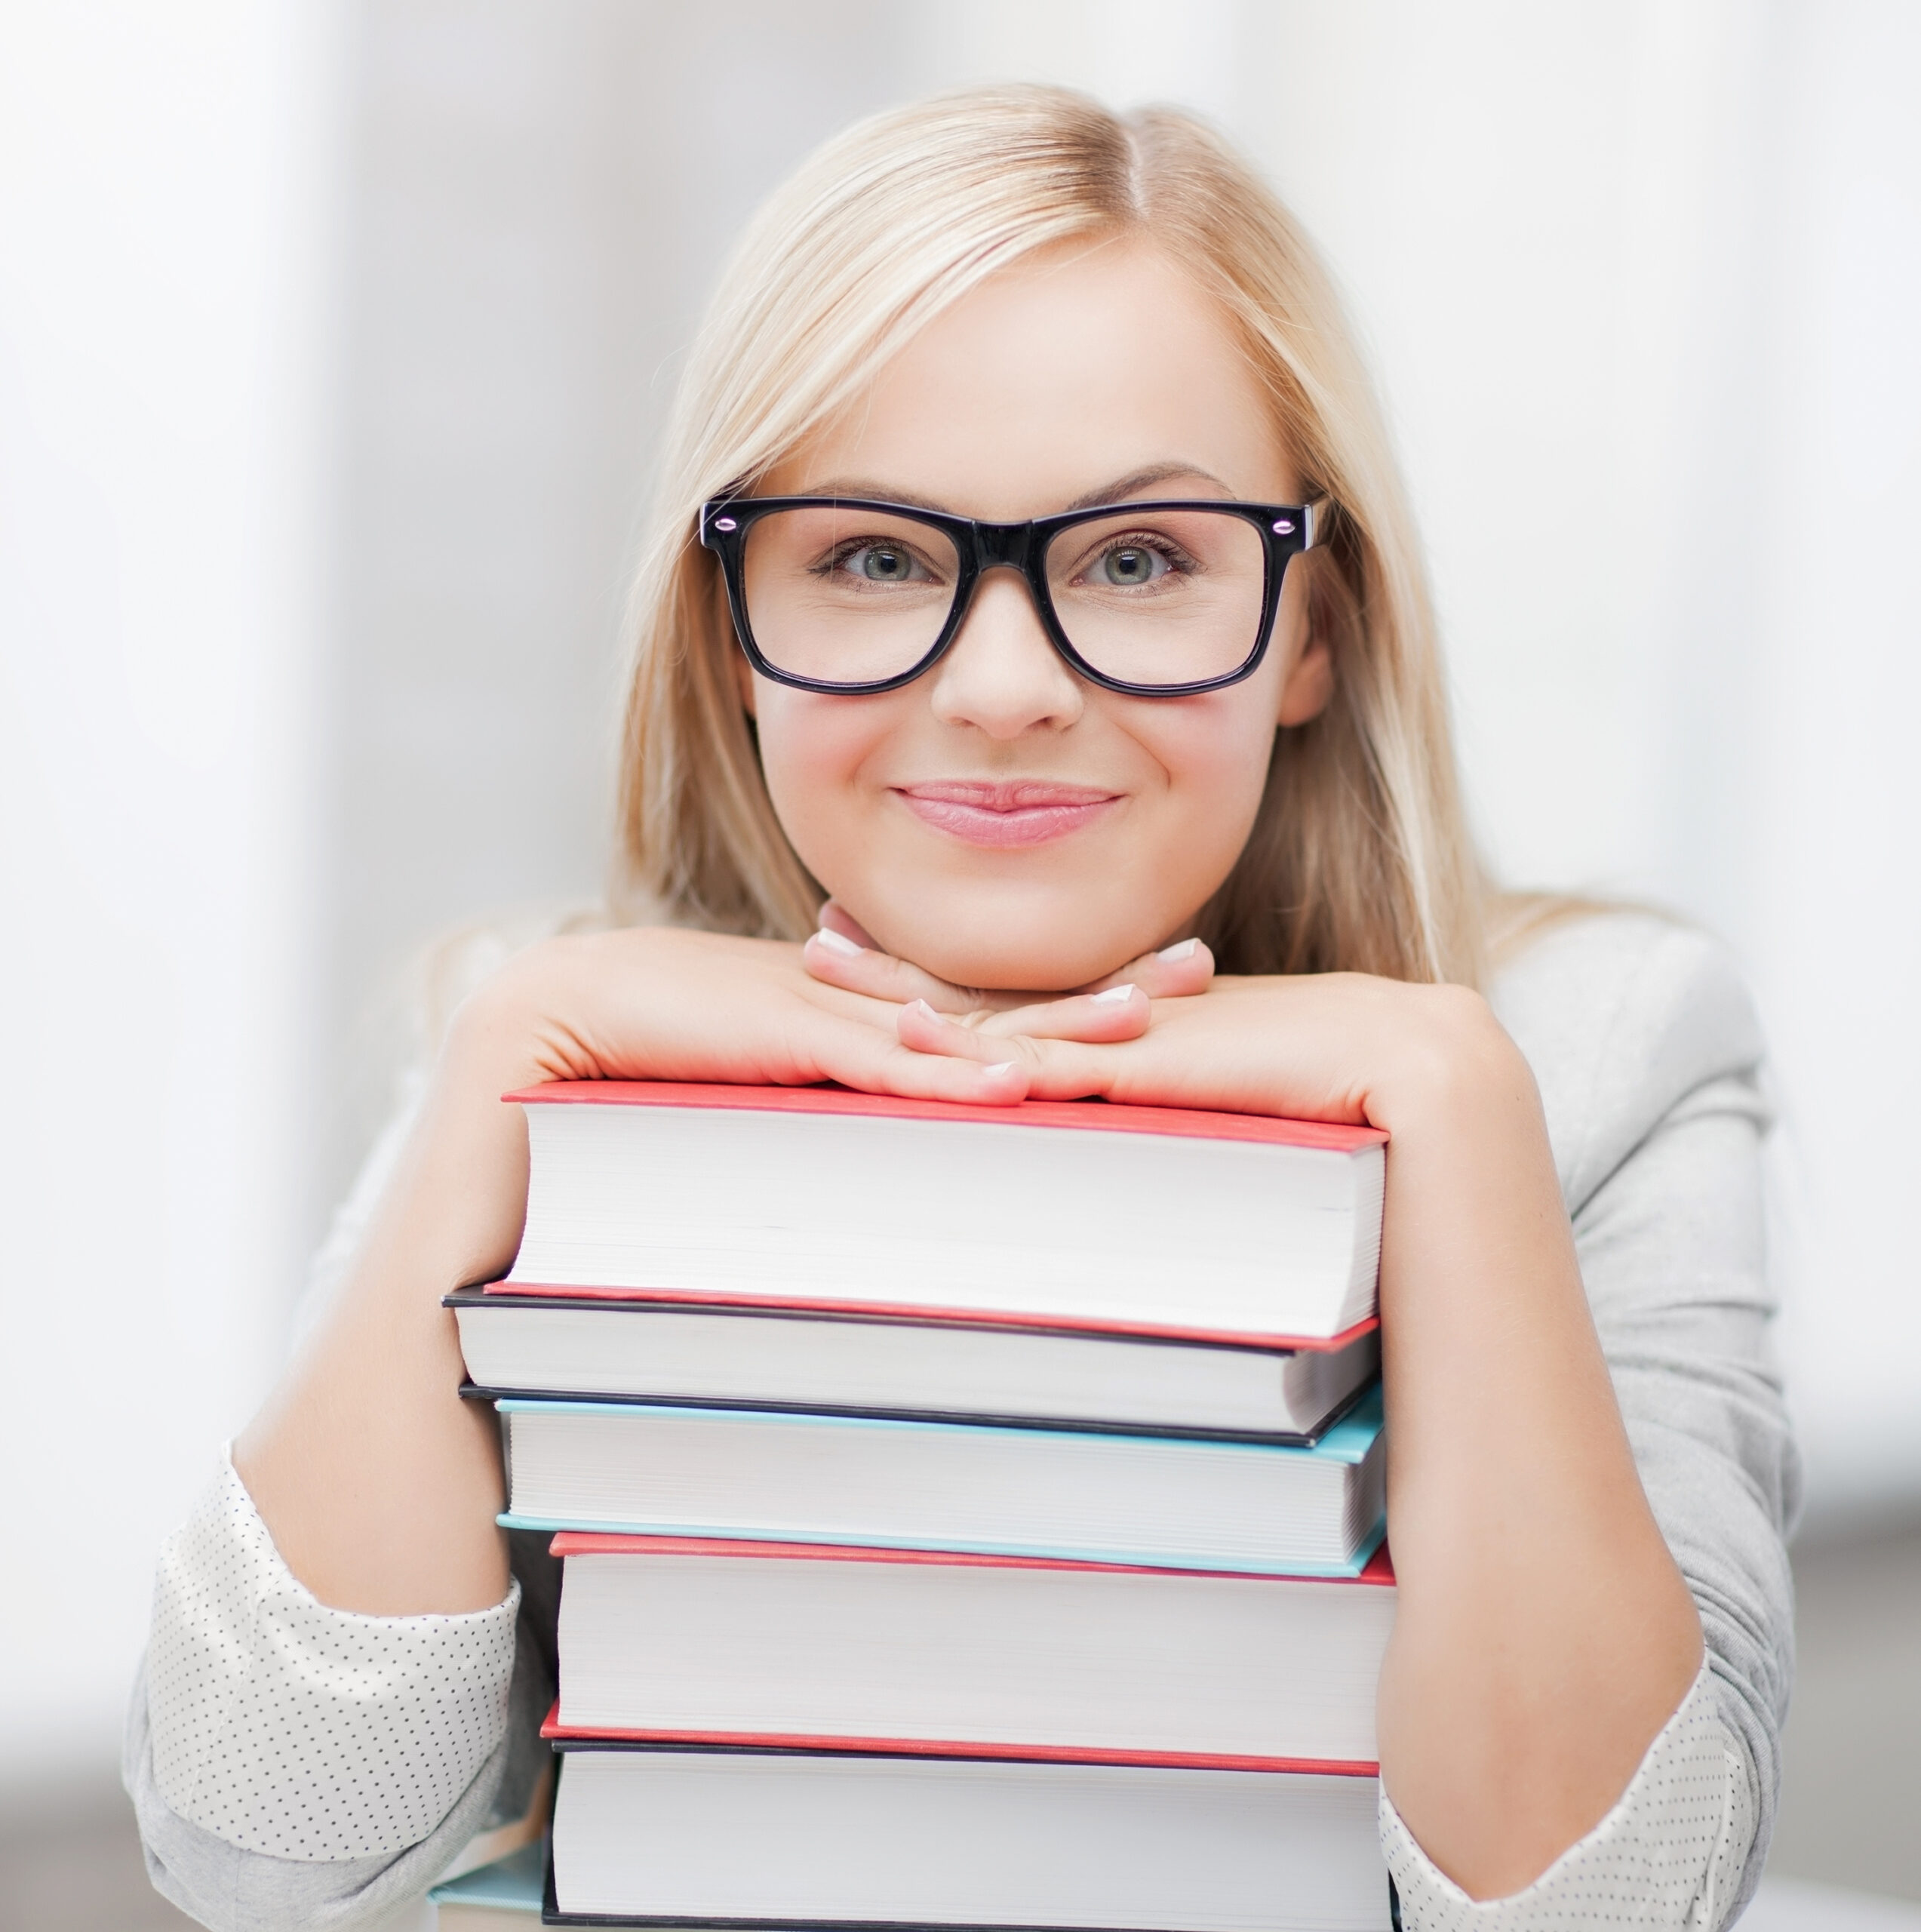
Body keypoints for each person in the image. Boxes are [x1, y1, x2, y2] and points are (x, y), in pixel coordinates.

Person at [126, 85, 1796, 1931]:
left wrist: (1450, 1103)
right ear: (721, 627)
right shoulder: (549, 1030)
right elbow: (258, 1859)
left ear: (1312, 624)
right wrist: (500, 1076)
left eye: (1141, 560)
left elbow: (1617, 1909)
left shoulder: (1599, 1047)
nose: (1003, 686)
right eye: (871, 557)